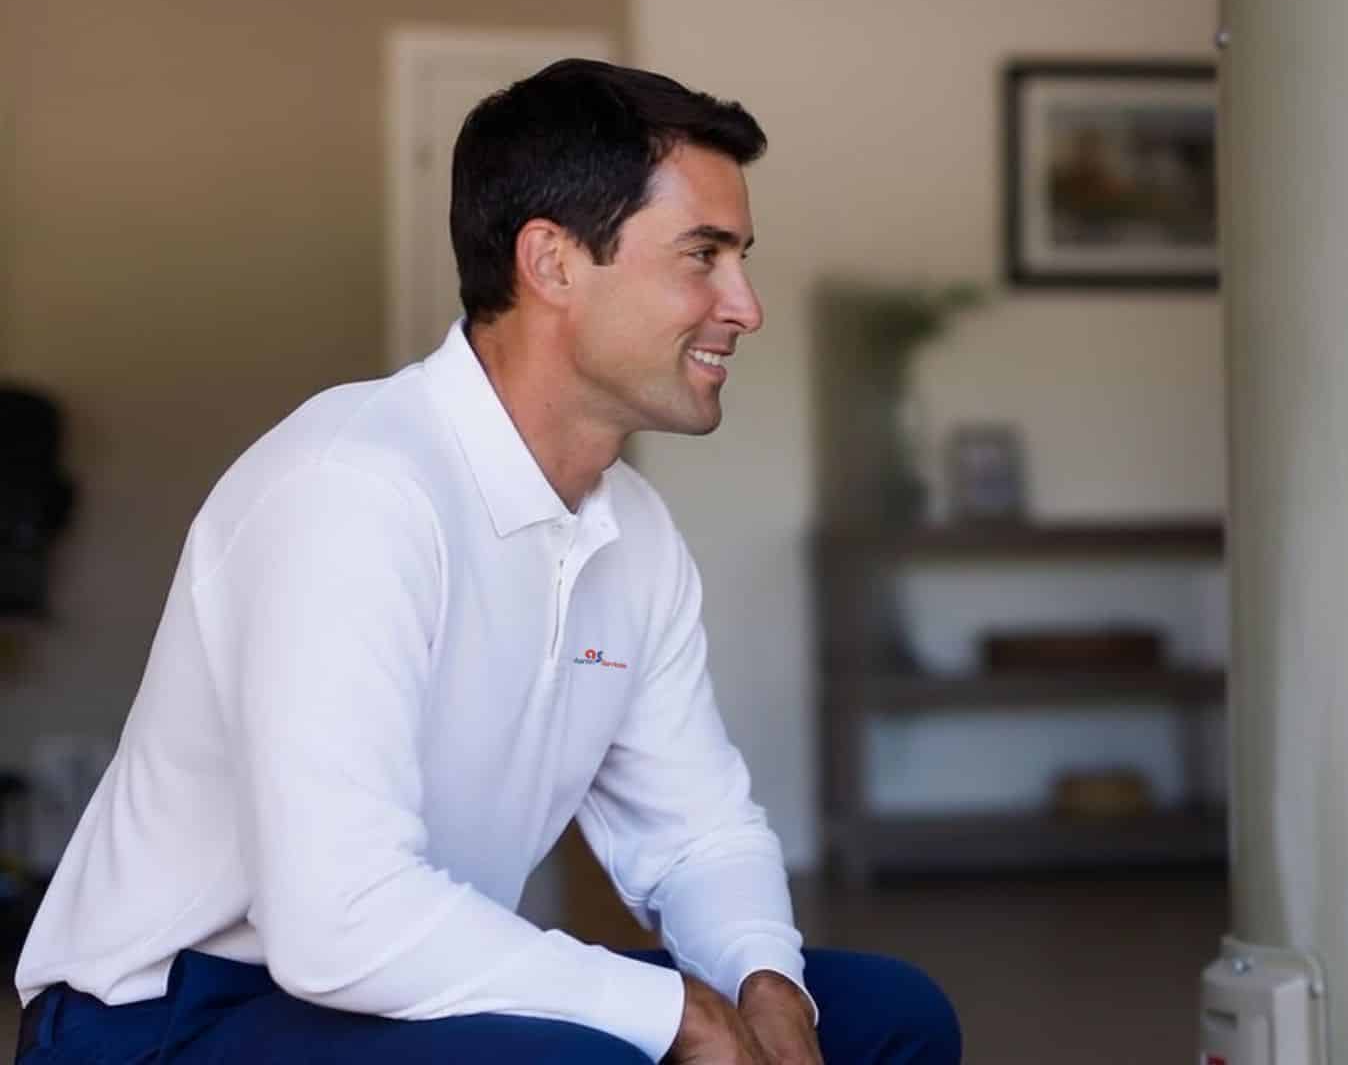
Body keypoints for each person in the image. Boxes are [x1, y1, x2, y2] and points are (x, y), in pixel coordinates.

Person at [12, 60, 961, 1065]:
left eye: (742, 258)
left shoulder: (631, 532)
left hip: (390, 986)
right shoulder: (354, 489)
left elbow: (697, 836)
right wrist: (678, 1015)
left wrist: (766, 989)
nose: (746, 306)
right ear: (551, 262)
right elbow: (339, 921)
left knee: (882, 1013)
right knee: (593, 1058)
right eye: (703, 256)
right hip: (163, 1017)